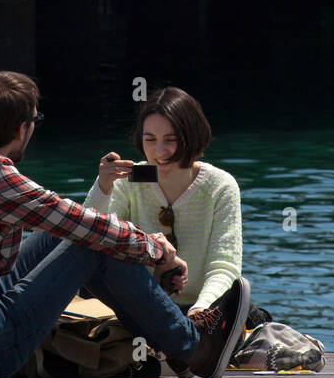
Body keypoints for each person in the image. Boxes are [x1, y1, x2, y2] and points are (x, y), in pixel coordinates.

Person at [0, 71, 250, 378]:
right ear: (23, 128)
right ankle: (196, 348)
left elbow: (67, 219)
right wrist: (156, 250)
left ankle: (172, 332)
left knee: (60, 233)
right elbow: (84, 226)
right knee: (90, 243)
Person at [85, 87, 243, 339]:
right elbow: (91, 239)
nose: (160, 152)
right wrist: (102, 187)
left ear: (191, 137)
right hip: (138, 307)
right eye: (150, 140)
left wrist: (201, 310)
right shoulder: (128, 179)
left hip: (202, 310)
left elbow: (224, 266)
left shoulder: (219, 185)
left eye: (170, 140)